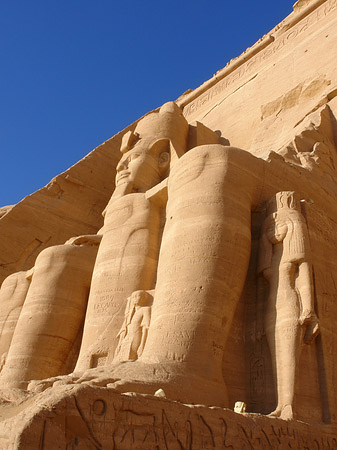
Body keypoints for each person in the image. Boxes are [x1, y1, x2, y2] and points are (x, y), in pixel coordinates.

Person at [258, 191, 319, 420]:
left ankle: (289, 405)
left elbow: (304, 280)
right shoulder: (272, 258)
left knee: (288, 356)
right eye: (269, 228)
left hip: (291, 304)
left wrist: (308, 309)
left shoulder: (293, 256)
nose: (273, 231)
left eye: (279, 225)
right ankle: (280, 405)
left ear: (293, 226)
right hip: (270, 309)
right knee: (275, 358)